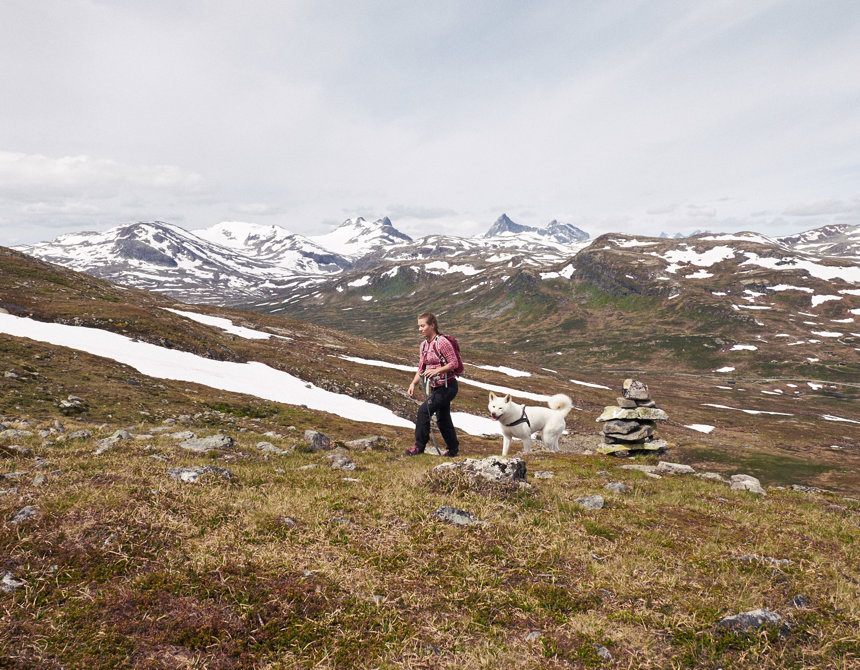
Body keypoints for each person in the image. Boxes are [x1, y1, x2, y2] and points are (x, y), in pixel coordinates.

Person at [405, 312, 460, 457]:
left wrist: (437, 371)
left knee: (424, 411)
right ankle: (453, 450)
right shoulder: (423, 345)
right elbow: (421, 368)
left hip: (448, 386)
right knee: (443, 419)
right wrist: (412, 384)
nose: (420, 329)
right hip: (436, 388)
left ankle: (419, 447)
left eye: (423, 326)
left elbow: (454, 363)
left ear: (432, 325)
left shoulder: (441, 342)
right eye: (419, 326)